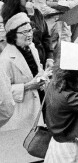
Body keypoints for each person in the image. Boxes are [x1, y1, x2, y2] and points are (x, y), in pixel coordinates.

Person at [0, 13, 48, 161]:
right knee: (21, 151)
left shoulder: (31, 47)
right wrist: (28, 86)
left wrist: (44, 75)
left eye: (30, 30)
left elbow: (37, 69)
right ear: (14, 35)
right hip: (19, 111)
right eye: (24, 32)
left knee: (35, 145)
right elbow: (5, 91)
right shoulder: (6, 58)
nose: (29, 34)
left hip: (38, 102)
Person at [44, 65, 78, 163]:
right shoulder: (71, 98)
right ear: (76, 76)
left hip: (57, 143)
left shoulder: (53, 86)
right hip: (71, 146)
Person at [2, 0, 53, 68]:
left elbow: (46, 36)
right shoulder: (12, 16)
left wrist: (49, 57)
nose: (32, 1)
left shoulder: (37, 12)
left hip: (42, 58)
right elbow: (29, 37)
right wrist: (30, 15)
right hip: (26, 61)